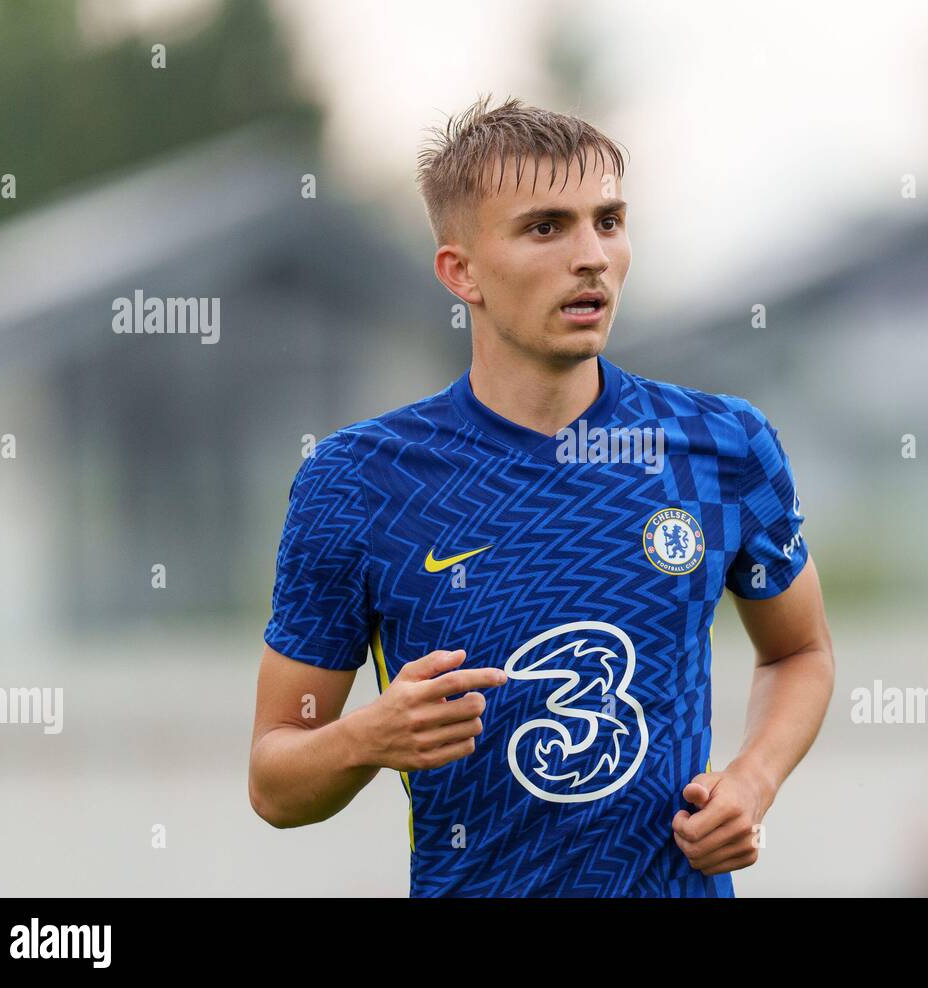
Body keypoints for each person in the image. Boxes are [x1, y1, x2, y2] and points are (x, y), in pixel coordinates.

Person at [249, 94, 834, 897]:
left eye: (610, 220)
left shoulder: (724, 448)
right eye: (546, 227)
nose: (592, 255)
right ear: (462, 272)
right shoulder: (356, 481)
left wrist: (754, 782)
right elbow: (274, 782)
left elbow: (800, 653)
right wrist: (366, 739)